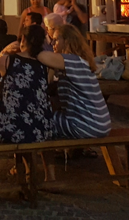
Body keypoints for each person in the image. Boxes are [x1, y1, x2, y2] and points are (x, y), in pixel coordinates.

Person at [36, 24, 111, 181]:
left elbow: (43, 57)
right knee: (47, 114)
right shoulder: (80, 62)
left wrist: (22, 47)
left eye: (56, 40)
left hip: (86, 124)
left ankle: (45, 175)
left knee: (37, 122)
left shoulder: (72, 60)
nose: (52, 44)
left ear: (67, 41)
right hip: (99, 122)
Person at [0, 24, 54, 186]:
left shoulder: (6, 60)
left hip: (10, 127)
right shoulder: (46, 65)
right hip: (40, 129)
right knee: (30, 120)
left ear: (22, 39)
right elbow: (47, 83)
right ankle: (43, 174)